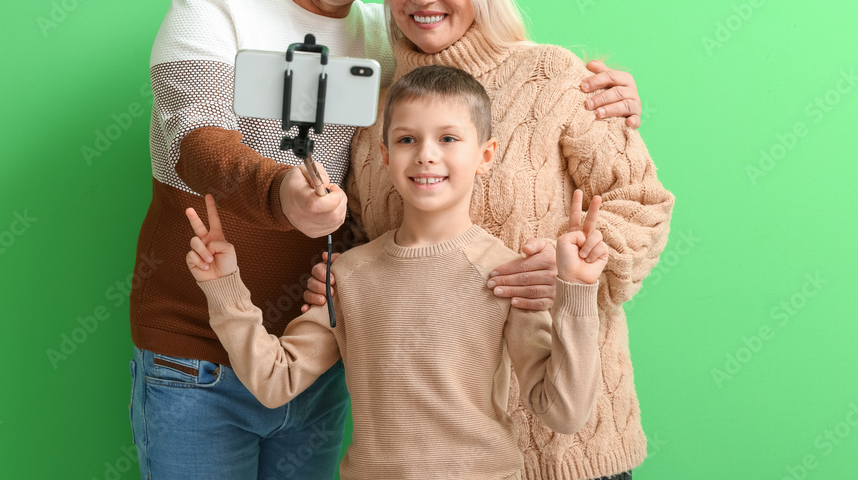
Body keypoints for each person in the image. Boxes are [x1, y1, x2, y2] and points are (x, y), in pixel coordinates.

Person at [129, 0, 644, 480]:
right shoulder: (214, 3)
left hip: (345, 374)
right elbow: (195, 138)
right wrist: (289, 207)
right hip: (205, 356)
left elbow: (515, 100)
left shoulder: (389, 43)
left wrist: (602, 98)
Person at [303, 0, 675, 480]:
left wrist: (574, 269)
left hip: (565, 447)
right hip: (436, 459)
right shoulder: (373, 108)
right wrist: (338, 276)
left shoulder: (555, 76)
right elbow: (369, 243)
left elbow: (643, 206)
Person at [187, 65, 611, 480]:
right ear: (386, 156)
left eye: (448, 138)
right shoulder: (349, 275)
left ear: (485, 156)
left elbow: (564, 412)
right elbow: (275, 380)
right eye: (408, 139)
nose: (426, 153)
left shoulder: (506, 274)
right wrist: (224, 288)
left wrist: (577, 292)